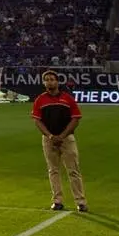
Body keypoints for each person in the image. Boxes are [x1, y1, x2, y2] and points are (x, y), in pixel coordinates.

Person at [30, 71, 87, 212]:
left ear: (57, 82)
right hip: (49, 140)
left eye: (52, 79)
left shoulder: (67, 99)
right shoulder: (40, 100)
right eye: (47, 80)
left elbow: (76, 118)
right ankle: (57, 201)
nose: (50, 82)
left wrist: (62, 135)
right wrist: (50, 136)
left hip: (67, 139)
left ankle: (80, 201)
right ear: (44, 83)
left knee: (73, 170)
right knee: (53, 170)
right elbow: (37, 121)